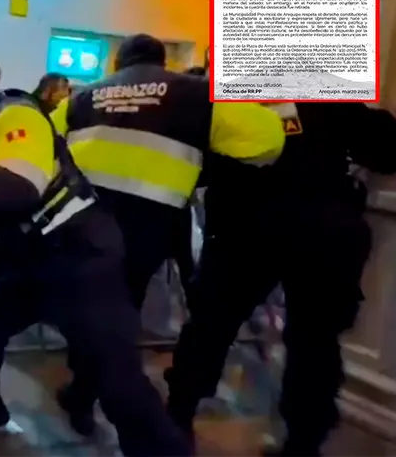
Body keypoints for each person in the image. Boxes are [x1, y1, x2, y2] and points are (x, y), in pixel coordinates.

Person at [0, 65, 191, 456]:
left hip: (81, 259)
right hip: (32, 262)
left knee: (116, 377)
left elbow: (19, 184)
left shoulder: (15, 116)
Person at [47, 34, 285, 436]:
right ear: (163, 62)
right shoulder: (197, 94)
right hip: (146, 230)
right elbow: (269, 139)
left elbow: (45, 143)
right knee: (122, 310)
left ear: (119, 63)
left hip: (82, 225)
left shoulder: (84, 97)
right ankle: (104, 399)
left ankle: (87, 394)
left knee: (87, 310)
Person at [165, 101, 396, 456]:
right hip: (321, 228)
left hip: (244, 227)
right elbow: (386, 150)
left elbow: (200, 164)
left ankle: (178, 415)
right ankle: (303, 443)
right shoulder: (328, 100)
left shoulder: (235, 101)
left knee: (211, 327)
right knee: (314, 342)